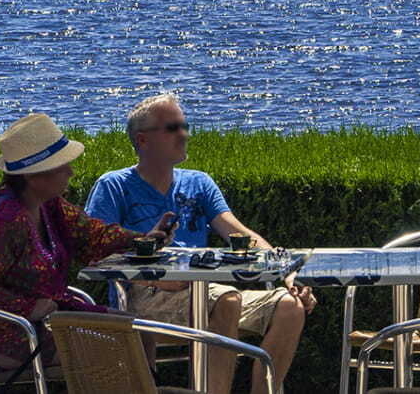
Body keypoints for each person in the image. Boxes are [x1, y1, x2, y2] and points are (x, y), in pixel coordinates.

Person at [86, 95, 313, 394]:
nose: (185, 134)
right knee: (227, 299)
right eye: (173, 127)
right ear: (143, 140)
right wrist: (156, 276)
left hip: (204, 291)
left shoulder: (199, 182)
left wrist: (286, 275)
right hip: (145, 297)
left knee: (290, 306)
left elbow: (238, 233)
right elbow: (94, 250)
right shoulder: (113, 186)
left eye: (185, 125)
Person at [0, 113, 174, 374]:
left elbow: (92, 234)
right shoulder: (0, 222)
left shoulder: (49, 205)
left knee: (137, 330)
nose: (70, 172)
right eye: (61, 165)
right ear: (34, 175)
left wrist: (143, 238)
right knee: (112, 344)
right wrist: (25, 308)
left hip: (46, 322)